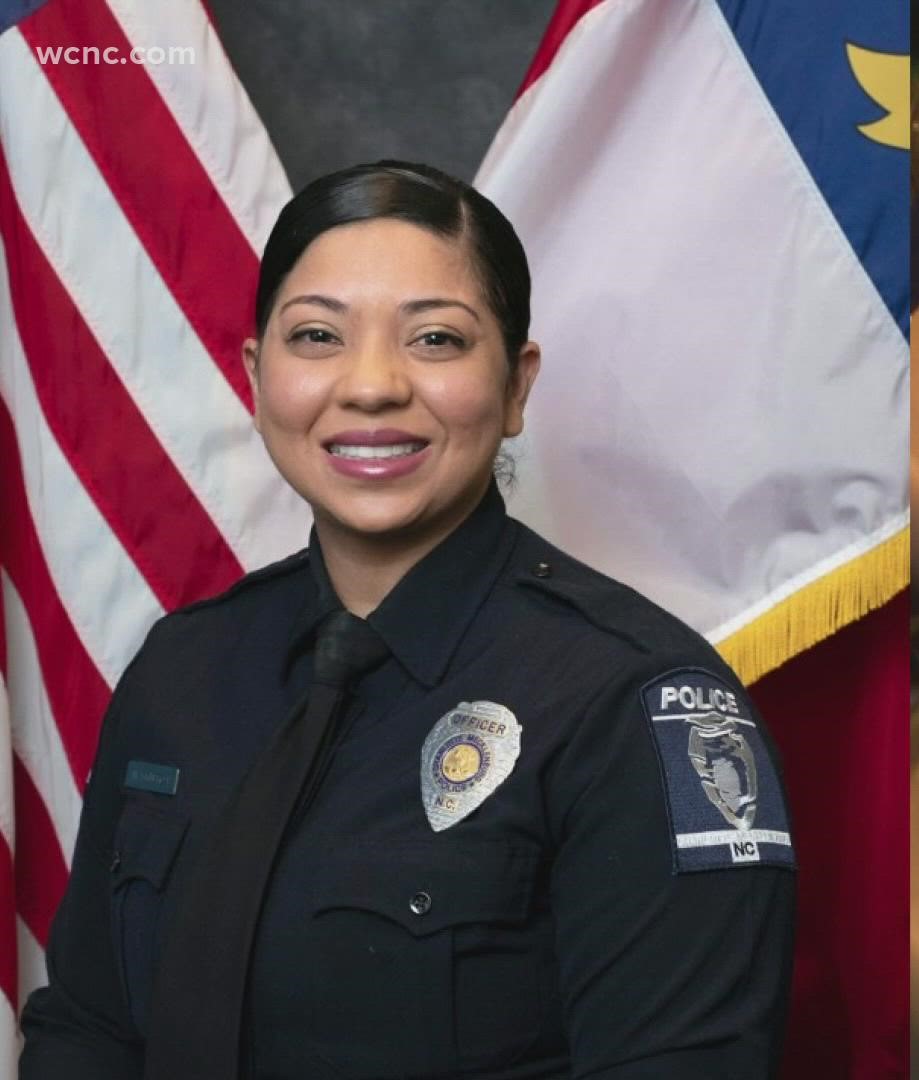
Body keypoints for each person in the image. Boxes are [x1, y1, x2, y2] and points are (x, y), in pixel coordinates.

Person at [19, 161, 796, 1079]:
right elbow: (89, 1030)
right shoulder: (181, 670)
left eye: (434, 338)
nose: (373, 385)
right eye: (317, 336)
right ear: (257, 377)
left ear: (515, 387)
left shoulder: (635, 703)